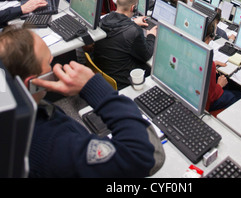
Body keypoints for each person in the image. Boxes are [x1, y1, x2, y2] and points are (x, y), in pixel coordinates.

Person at [0, 26, 165, 178]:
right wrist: (94, 87)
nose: (54, 67)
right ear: (32, 83)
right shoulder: (51, 146)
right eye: (49, 63)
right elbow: (146, 155)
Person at [94, 0, 157, 90]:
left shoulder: (104, 20)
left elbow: (120, 28)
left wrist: (132, 22)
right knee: (152, 68)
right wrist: (151, 36)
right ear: (133, 8)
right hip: (122, 80)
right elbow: (147, 54)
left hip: (104, 73)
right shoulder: (134, 31)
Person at [204, 13, 241, 112]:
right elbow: (211, 97)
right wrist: (219, 85)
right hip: (205, 105)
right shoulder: (208, 63)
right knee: (238, 95)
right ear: (211, 36)